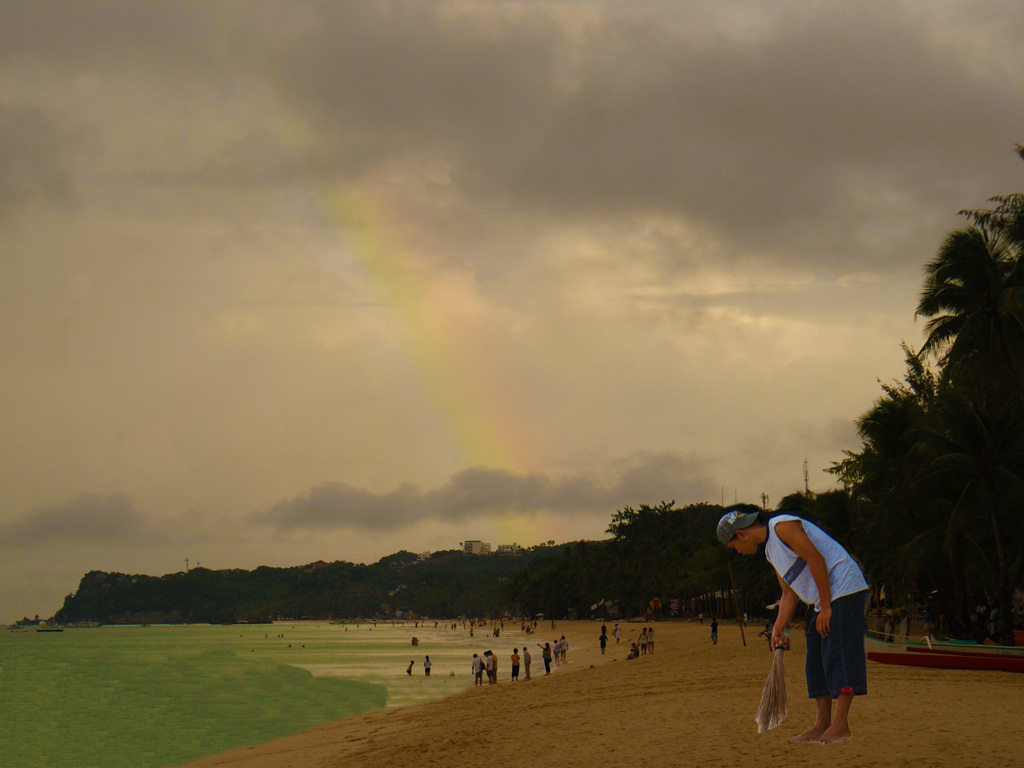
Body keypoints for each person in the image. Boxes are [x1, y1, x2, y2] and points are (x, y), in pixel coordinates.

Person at [718, 503, 869, 746]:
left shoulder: (782, 526)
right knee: (816, 660)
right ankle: (822, 724)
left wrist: (827, 607)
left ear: (741, 534)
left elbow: (815, 559)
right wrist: (778, 627)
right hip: (822, 599)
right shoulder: (770, 551)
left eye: (734, 547)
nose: (738, 552)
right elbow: (788, 593)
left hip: (843, 589)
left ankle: (841, 725)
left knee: (838, 653)